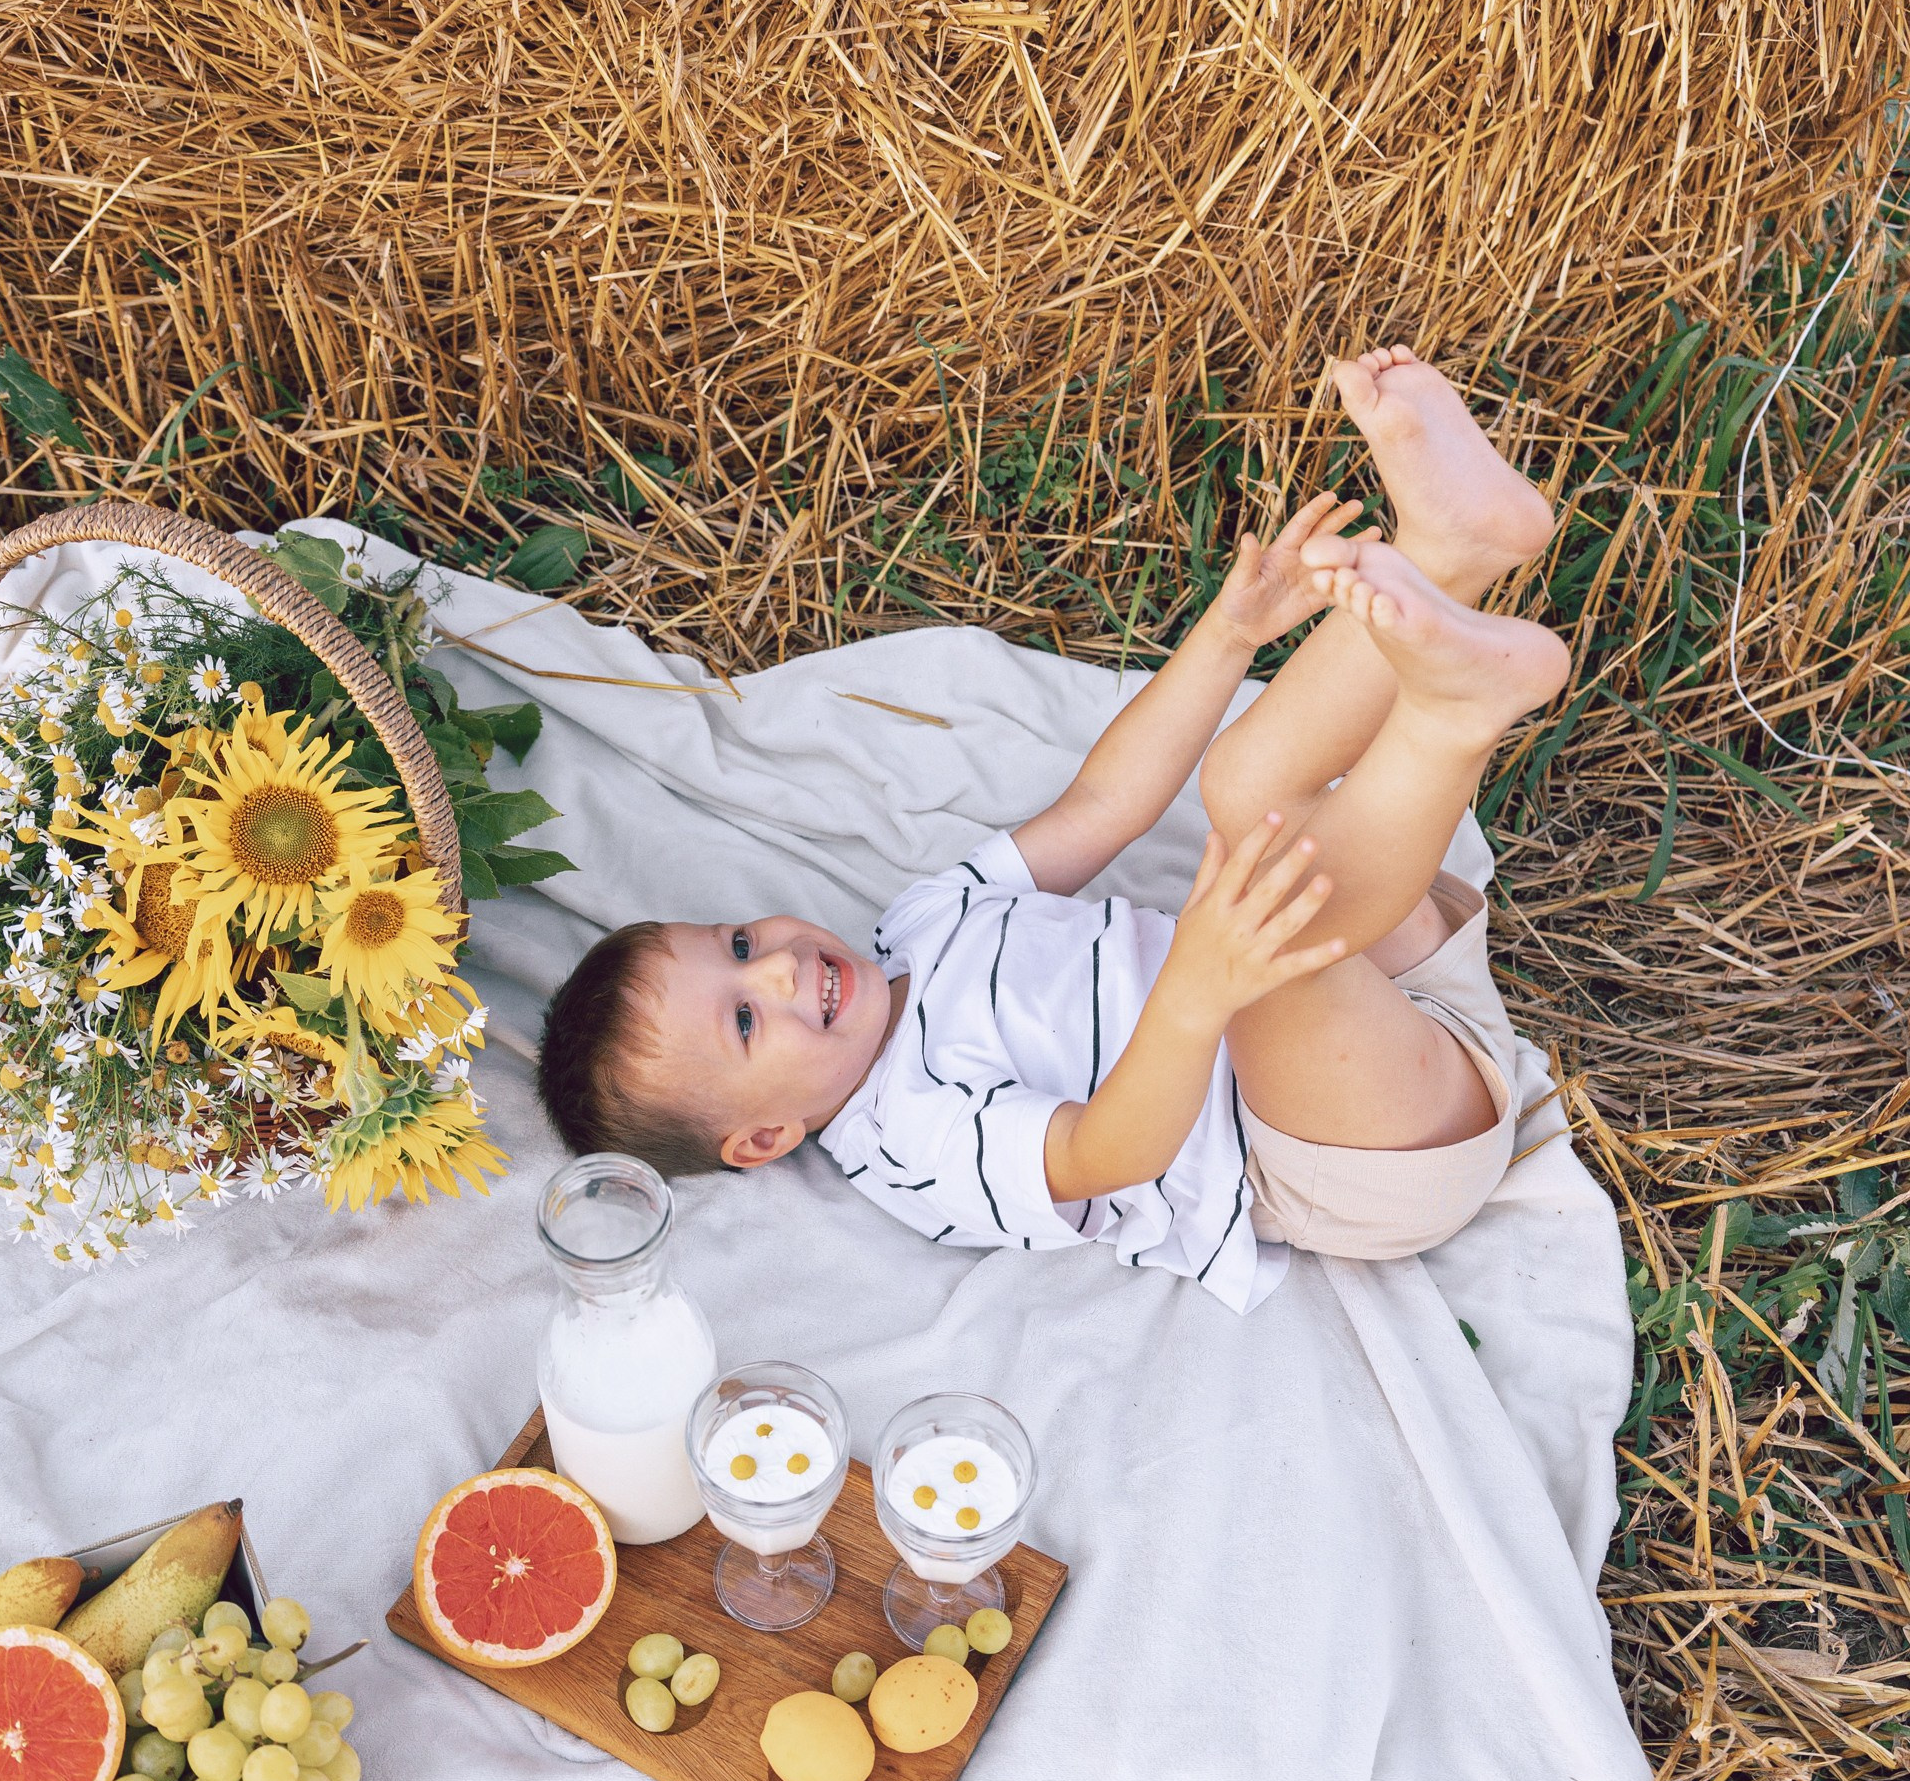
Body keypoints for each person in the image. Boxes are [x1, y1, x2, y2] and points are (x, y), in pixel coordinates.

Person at [538, 351, 1569, 1312]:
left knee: (1241, 779)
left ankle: (1449, 550)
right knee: (1270, 929)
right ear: (763, 1137)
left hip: (1386, 985)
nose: (773, 970)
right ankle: (1452, 709)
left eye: (735, 944)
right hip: (1352, 1152)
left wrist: (1229, 633)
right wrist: (1196, 990)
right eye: (745, 1024)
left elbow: (1102, 809)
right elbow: (1098, 1155)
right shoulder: (906, 1137)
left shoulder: (918, 927)